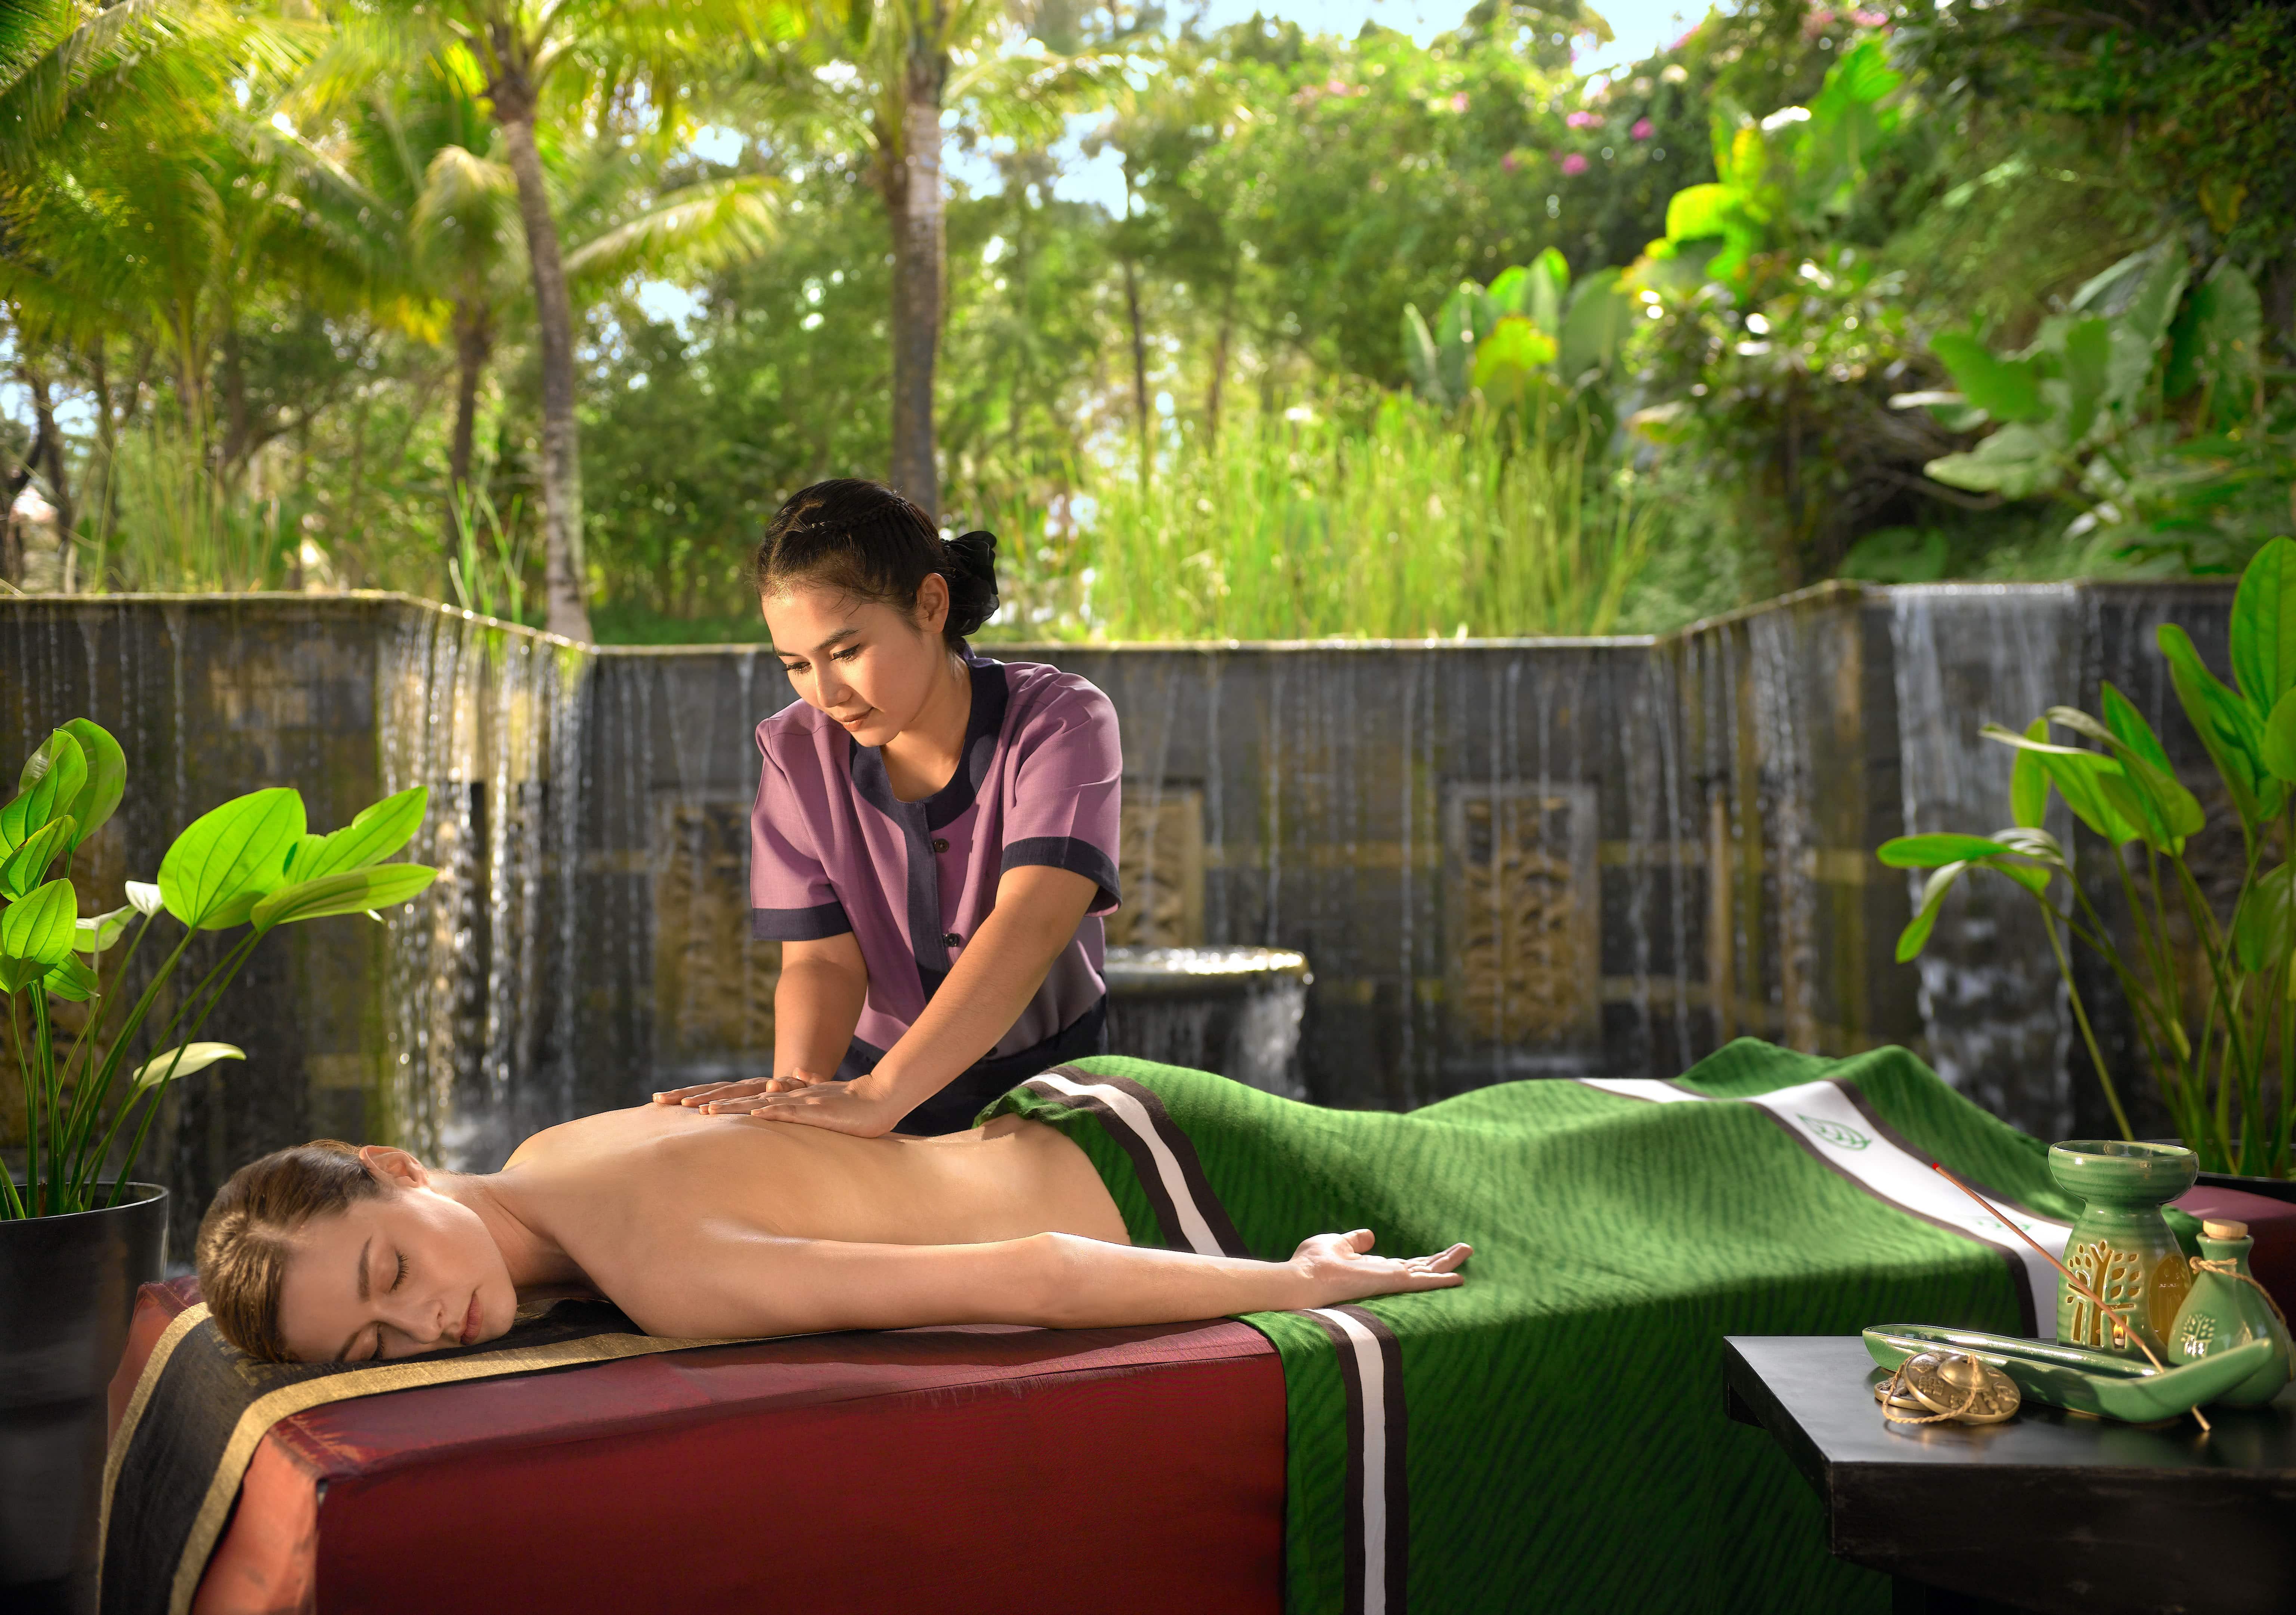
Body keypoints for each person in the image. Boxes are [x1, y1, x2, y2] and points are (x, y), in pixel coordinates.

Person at [192, 1097, 1471, 1363]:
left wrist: (1288, 1281)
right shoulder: (545, 1152)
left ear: (396, 1167)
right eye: (373, 1345)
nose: (424, 1320)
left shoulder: (664, 1279)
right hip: (1088, 1114)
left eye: (390, 1268)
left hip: (1172, 1197)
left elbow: (1030, 1275)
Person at [653, 478, 1124, 1137]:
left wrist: (880, 1095)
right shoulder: (794, 751)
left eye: (846, 652)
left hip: (1050, 1089)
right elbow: (821, 961)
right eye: (796, 664)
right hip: (864, 1085)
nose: (825, 693)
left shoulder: (1062, 722)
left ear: (930, 604)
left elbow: (1031, 924)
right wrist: (796, 1096)